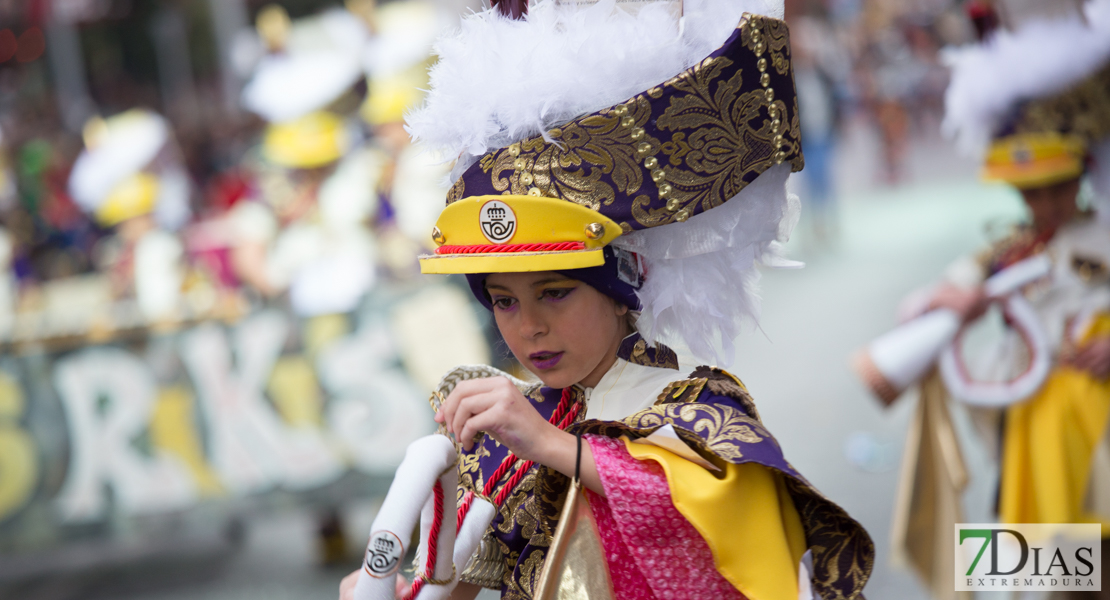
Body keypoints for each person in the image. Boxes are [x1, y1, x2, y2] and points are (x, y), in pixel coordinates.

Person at [340, 0, 874, 598]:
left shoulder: (690, 407)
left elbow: (718, 519)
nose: (529, 328)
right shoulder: (515, 428)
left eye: (556, 292)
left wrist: (546, 443)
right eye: (504, 301)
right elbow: (459, 581)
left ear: (624, 288)